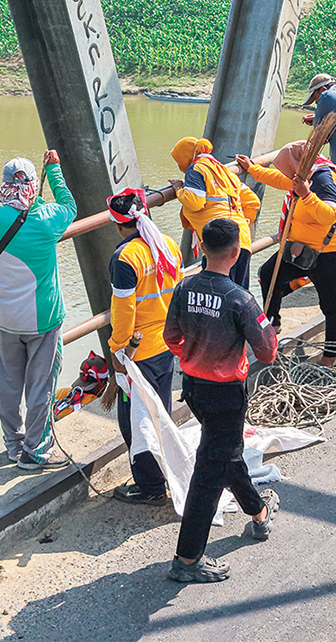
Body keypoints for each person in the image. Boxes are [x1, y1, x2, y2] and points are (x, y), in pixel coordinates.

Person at [164, 218, 279, 584]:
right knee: (208, 473)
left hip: (194, 388)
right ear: (235, 254)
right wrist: (268, 332)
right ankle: (187, 558)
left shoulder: (183, 288)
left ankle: (259, 512)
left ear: (199, 248)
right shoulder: (241, 300)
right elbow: (268, 352)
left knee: (224, 452)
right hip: (226, 394)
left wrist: (193, 356)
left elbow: (171, 336)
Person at [0, 151, 76, 471]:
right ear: (33, 186)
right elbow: (70, 205)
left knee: (8, 383)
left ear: (5, 185)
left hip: (4, 319)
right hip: (43, 320)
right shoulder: (49, 218)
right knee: (40, 384)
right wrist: (54, 170)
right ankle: (35, 452)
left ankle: (13, 445)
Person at [237, 142, 336, 365]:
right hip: (302, 248)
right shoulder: (307, 172)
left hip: (329, 254)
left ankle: (329, 357)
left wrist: (306, 195)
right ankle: (274, 322)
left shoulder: (323, 178)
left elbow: (329, 215)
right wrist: (253, 169)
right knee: (270, 273)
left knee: (332, 305)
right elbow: (283, 181)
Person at [106, 188, 183, 504]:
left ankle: (150, 487)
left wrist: (117, 350)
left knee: (134, 422)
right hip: (167, 345)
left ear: (118, 224)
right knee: (159, 411)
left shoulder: (125, 258)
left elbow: (124, 311)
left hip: (138, 353)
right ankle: (161, 474)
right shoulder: (169, 245)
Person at [170, 137, 261, 290]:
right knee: (239, 294)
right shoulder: (225, 172)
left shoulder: (196, 169)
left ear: (185, 157)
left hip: (219, 241)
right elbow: (253, 202)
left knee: (217, 295)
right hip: (241, 239)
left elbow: (195, 201)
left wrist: (179, 189)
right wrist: (242, 224)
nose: (180, 166)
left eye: (179, 160)